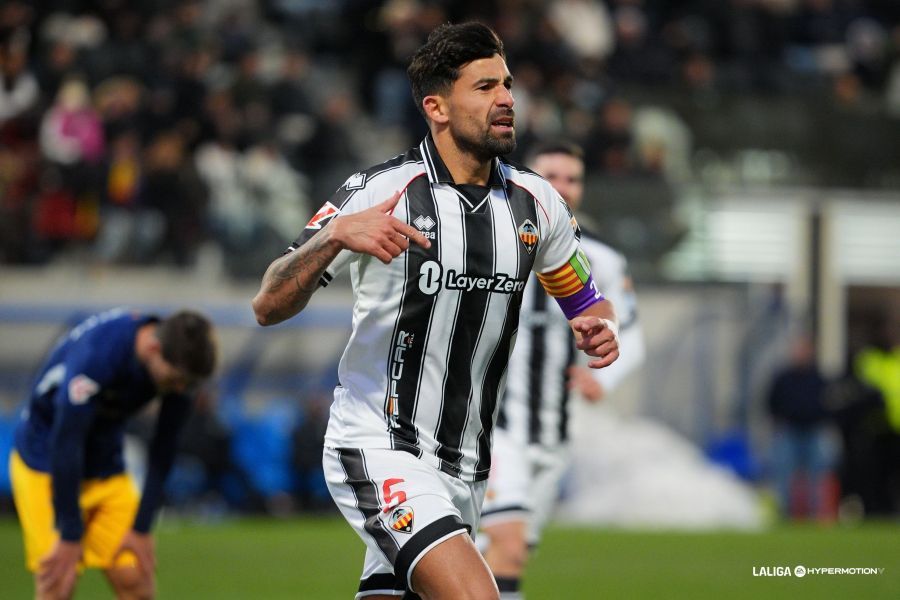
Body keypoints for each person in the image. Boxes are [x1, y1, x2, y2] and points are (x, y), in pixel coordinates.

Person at [252, 22, 619, 600]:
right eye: (485, 87)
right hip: (380, 445)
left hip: (468, 465)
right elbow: (268, 303)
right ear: (437, 107)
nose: (506, 100)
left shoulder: (536, 201)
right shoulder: (380, 190)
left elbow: (581, 294)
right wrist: (334, 237)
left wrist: (598, 326)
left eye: (507, 84)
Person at [479, 140, 646, 598]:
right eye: (550, 176)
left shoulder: (604, 259)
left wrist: (603, 374)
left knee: (499, 557)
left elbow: (631, 333)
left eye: (571, 178)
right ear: (527, 181)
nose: (561, 187)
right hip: (495, 430)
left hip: (553, 433)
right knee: (505, 548)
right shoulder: (491, 241)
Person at [10, 308, 217, 600]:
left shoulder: (177, 364)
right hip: (47, 464)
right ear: (152, 348)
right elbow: (66, 442)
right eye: (176, 380)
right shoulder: (98, 356)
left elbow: (165, 445)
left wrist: (142, 527)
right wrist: (70, 534)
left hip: (105, 465)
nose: (181, 389)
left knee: (135, 577)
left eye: (188, 384)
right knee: (59, 583)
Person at [766, 334, 836, 520]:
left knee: (818, 474)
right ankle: (785, 513)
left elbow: (829, 403)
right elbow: (770, 403)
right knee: (784, 473)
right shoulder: (783, 378)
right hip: (790, 431)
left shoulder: (819, 378)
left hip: (814, 431)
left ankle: (817, 514)